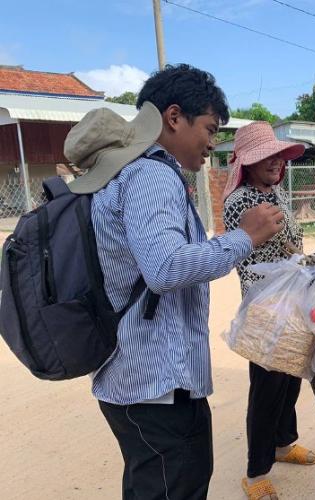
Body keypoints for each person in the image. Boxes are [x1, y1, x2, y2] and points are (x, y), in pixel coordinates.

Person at [66, 64, 285, 500]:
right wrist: (245, 236)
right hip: (155, 386)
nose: (212, 142)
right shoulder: (150, 174)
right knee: (174, 485)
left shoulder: (122, 176)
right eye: (209, 128)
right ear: (172, 118)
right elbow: (165, 268)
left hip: (136, 381)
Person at [223, 122, 315, 500]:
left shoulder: (274, 192)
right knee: (266, 387)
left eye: (279, 156)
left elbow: (292, 245)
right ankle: (255, 471)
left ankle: (283, 443)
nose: (277, 162)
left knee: (290, 374)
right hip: (264, 307)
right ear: (248, 162)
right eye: (267, 157)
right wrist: (294, 246)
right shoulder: (244, 201)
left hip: (289, 299)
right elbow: (289, 242)